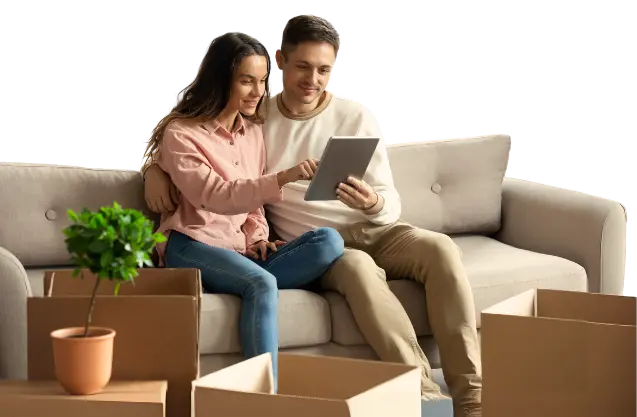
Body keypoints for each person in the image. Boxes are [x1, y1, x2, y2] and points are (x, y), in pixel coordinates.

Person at [142, 17, 482, 417]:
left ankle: (471, 398)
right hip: (317, 242)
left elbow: (390, 201)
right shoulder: (257, 114)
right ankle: (424, 394)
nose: (313, 80)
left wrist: (372, 202)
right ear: (282, 61)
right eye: (302, 67)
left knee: (440, 249)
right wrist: (152, 168)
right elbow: (185, 131)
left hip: (370, 227)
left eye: (324, 70)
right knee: (353, 267)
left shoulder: (352, 116)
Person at [141, 31, 345, 391]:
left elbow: (252, 205)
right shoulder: (182, 134)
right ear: (222, 79)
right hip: (190, 243)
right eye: (246, 81)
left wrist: (260, 238)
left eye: (263, 81)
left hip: (239, 251)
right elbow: (217, 196)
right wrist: (286, 175)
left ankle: (242, 278)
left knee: (329, 241)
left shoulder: (252, 133)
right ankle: (264, 400)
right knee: (262, 282)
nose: (257, 92)